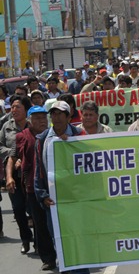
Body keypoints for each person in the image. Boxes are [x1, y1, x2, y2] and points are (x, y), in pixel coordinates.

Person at [34, 101, 90, 274]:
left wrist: (72, 143)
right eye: (53, 114)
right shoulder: (43, 139)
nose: (56, 117)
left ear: (68, 116)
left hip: (76, 200)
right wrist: (43, 196)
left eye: (60, 114)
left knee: (79, 240)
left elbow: (89, 165)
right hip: (53, 202)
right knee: (59, 241)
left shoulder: (79, 135)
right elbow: (39, 171)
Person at [7, 105, 56, 270]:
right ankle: (48, 258)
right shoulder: (21, 137)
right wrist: (10, 176)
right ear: (29, 121)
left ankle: (64, 255)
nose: (41, 121)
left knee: (57, 224)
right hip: (33, 187)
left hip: (55, 186)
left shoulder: (54, 134)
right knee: (40, 224)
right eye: (36, 118)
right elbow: (13, 158)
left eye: (43, 118)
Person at [2, 95, 33, 254]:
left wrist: (23, 157)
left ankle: (40, 241)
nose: (13, 110)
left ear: (26, 109)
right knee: (18, 209)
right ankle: (26, 239)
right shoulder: (6, 126)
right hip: (13, 173)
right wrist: (12, 155)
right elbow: (0, 146)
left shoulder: (33, 125)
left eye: (17, 107)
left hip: (31, 174)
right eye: (12, 107)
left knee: (34, 209)